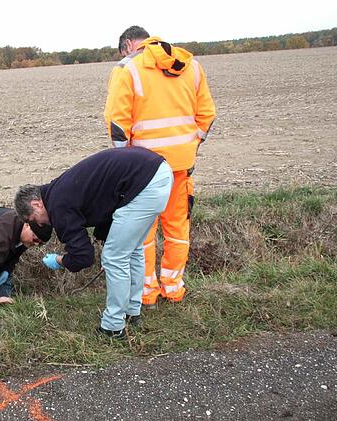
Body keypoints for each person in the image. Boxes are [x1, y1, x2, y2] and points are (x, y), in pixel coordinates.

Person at [104, 25, 216, 305]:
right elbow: (206, 116)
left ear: (128, 45)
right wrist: (190, 147)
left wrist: (122, 163)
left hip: (144, 169)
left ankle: (146, 292)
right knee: (178, 229)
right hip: (181, 165)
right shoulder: (191, 65)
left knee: (143, 232)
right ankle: (173, 287)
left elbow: (118, 123)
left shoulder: (128, 69)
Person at [14, 148, 172, 338]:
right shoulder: (59, 190)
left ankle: (113, 327)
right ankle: (132, 312)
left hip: (144, 183)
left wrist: (59, 260)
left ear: (36, 204)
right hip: (157, 171)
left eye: (35, 219)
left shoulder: (58, 205)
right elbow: (103, 204)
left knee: (115, 257)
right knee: (133, 250)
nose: (41, 224)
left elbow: (83, 256)